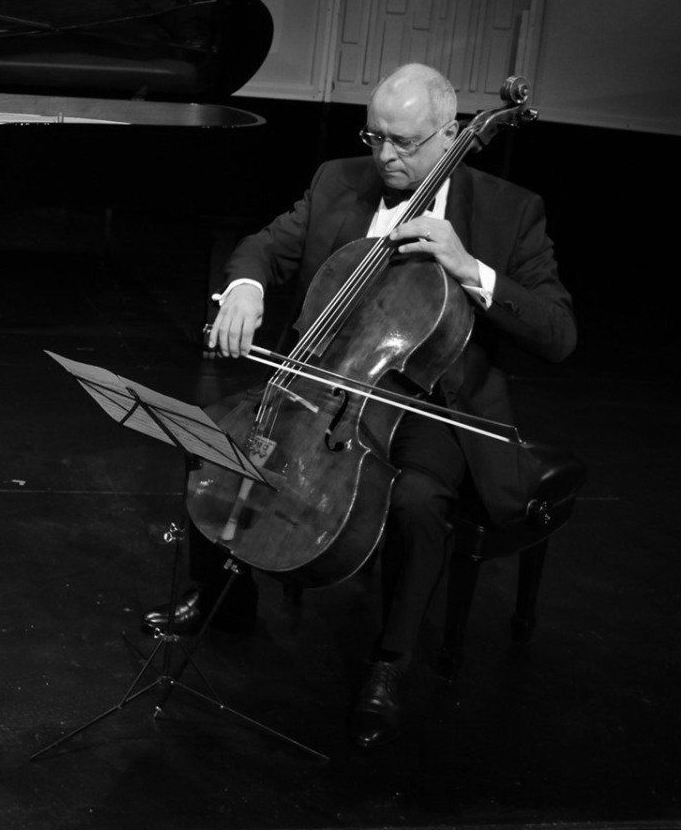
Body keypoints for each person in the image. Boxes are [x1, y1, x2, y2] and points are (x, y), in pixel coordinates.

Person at [157, 63, 575, 747]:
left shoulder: (509, 210)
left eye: (404, 143)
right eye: (374, 136)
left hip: (435, 397)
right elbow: (266, 246)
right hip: (330, 381)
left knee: (416, 502)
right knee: (214, 436)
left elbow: (559, 334)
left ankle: (388, 662)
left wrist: (469, 269)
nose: (384, 156)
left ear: (451, 135)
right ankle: (221, 599)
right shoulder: (337, 181)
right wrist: (245, 289)